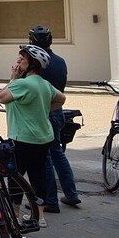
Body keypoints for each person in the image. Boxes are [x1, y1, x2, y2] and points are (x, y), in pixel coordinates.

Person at [0, 45, 65, 228]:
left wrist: (13, 78)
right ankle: (39, 216)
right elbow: (61, 99)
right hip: (43, 137)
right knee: (38, 175)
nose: (17, 63)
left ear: (32, 63)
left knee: (16, 176)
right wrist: (42, 109)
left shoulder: (22, 84)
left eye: (21, 60)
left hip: (22, 137)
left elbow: (1, 97)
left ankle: (16, 214)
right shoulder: (44, 84)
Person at [29, 26, 81, 213]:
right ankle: (71, 193)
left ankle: (49, 200)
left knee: (45, 158)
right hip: (58, 111)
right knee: (57, 153)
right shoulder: (60, 61)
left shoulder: (36, 64)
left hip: (42, 113)